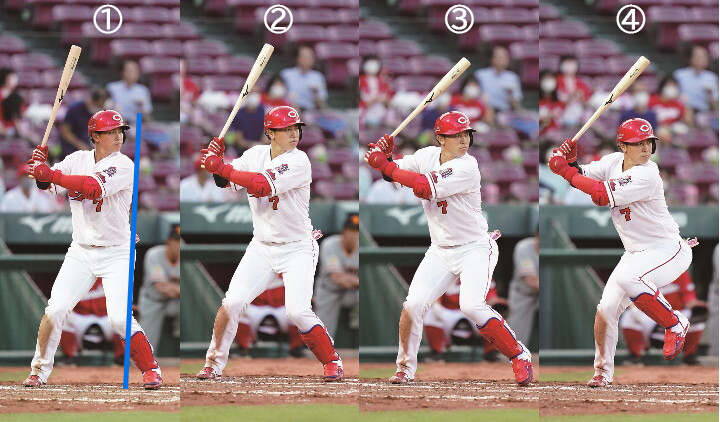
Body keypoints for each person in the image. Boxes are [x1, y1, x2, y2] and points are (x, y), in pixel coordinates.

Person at [364, 111, 533, 385]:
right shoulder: (425, 156)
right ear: (441, 138)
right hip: (440, 249)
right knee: (413, 305)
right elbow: (394, 174)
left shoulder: (468, 166)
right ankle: (405, 368)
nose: (464, 140)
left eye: (466, 134)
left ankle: (519, 355)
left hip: (475, 247)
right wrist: (381, 157)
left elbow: (423, 186)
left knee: (471, 305)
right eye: (456, 135)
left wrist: (384, 165)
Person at [196, 105, 344, 381]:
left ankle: (332, 361)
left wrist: (222, 166)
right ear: (270, 133)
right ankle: (212, 364)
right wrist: (216, 162)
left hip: (297, 246)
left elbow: (261, 185)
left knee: (297, 311)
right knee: (232, 302)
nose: (293, 134)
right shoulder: (254, 155)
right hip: (262, 246)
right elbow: (224, 183)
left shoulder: (300, 161)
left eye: (295, 128)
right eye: (285, 129)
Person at [547, 117, 694, 387]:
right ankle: (603, 373)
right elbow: (582, 176)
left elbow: (600, 195)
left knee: (630, 279)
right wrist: (568, 163)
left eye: (649, 142)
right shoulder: (613, 161)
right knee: (606, 310)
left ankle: (675, 323)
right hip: (636, 252)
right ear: (623, 146)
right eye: (638, 143)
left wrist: (565, 171)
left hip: (667, 250)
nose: (646, 148)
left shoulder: (648, 173)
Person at [22, 109, 163, 389]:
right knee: (56, 309)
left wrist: (48, 172)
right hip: (81, 251)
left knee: (119, 317)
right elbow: (48, 184)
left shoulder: (124, 165)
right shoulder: (77, 159)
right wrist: (40, 171)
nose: (119, 136)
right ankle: (39, 370)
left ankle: (151, 369)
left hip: (117, 251)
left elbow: (91, 187)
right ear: (95, 136)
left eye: (120, 131)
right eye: (111, 132)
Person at [620, 271, 705, 366]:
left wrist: (695, 305)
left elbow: (688, 296)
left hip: (676, 316)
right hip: (651, 317)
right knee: (629, 317)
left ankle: (689, 356)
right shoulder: (642, 272)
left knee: (696, 319)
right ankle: (635, 356)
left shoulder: (679, 271)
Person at [423, 278, 505, 362]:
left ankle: (491, 353)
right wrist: (436, 305)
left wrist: (496, 305)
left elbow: (491, 298)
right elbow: (436, 296)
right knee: (431, 315)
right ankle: (436, 353)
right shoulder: (447, 271)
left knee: (494, 314)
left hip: (474, 312)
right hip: (450, 312)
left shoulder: (483, 271)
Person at [233, 275, 304, 357]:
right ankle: (243, 349)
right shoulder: (253, 267)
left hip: (281, 308)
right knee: (240, 312)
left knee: (297, 313)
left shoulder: (286, 266)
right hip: (257, 307)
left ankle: (296, 349)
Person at [59, 278, 125, 366]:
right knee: (63, 318)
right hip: (81, 316)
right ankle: (68, 357)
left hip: (106, 317)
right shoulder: (76, 277)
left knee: (123, 320)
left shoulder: (111, 275)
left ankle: (120, 358)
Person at [313, 213, 360, 339]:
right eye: (352, 230)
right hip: (329, 291)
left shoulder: (361, 246)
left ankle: (355, 317)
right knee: (323, 336)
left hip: (352, 293)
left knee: (370, 295)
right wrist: (357, 281)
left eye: (357, 231)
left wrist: (352, 281)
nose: (354, 235)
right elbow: (337, 278)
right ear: (344, 231)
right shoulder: (330, 244)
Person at [138, 224, 181, 351]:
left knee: (193, 304)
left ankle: (178, 328)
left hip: (176, 303)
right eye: (176, 241)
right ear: (168, 241)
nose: (178, 245)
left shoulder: (186, 255)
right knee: (145, 347)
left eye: (180, 241)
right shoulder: (155, 254)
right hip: (153, 301)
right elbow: (161, 287)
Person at [506, 230, 539, 347]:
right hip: (523, 293)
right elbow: (531, 281)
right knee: (516, 332)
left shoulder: (555, 246)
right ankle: (512, 359)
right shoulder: (524, 247)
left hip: (545, 294)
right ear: (536, 235)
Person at [59, 87, 109, 158]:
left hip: (88, 147)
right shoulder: (74, 109)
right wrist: (79, 144)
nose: (100, 107)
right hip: (70, 148)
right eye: (99, 105)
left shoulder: (99, 113)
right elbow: (65, 131)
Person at [474, 46, 522, 111]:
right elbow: (473, 96)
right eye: (498, 56)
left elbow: (516, 102)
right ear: (491, 58)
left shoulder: (513, 77)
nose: (500, 59)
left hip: (504, 111)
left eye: (504, 57)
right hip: (484, 110)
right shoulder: (480, 75)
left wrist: (511, 95)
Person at [280, 46, 328, 111]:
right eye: (305, 56)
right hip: (289, 109)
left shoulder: (318, 77)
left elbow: (322, 101)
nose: (308, 59)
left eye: (311, 57)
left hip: (311, 111)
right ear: (297, 58)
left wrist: (316, 96)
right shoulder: (286, 74)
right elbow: (279, 95)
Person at [673, 45, 718, 112]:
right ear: (692, 58)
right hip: (684, 111)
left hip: (704, 112)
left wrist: (710, 95)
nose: (704, 59)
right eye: (700, 57)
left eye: (705, 57)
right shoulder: (679, 75)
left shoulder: (712, 77)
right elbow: (672, 96)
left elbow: (715, 105)